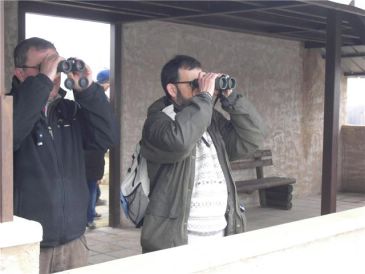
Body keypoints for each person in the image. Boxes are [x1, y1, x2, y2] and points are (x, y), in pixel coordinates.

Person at [10, 37, 117, 273]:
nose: (54, 76)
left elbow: (106, 137)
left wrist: (87, 90)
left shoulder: (69, 111)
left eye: (56, 68)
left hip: (73, 240)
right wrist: (42, 82)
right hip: (28, 243)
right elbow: (9, 137)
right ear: (19, 72)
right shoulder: (8, 108)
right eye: (43, 68)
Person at [140, 55, 266, 252]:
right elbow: (180, 142)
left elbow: (252, 137)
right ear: (172, 89)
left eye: (203, 81)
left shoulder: (210, 119)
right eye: (194, 83)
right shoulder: (158, 122)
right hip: (179, 241)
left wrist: (230, 98)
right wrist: (205, 98)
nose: (201, 88)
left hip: (222, 234)